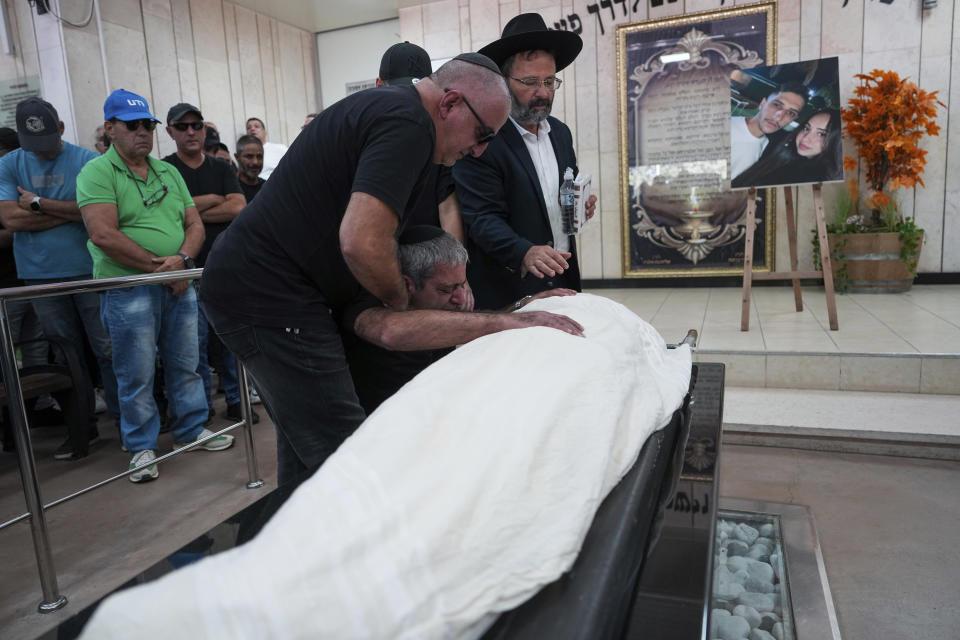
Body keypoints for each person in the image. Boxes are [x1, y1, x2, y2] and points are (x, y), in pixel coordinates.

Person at [201, 53, 582, 492]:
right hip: (269, 293)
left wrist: (509, 311)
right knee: (346, 453)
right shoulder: (408, 123)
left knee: (304, 445)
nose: (478, 150)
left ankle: (299, 541)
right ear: (450, 103)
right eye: (481, 135)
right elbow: (362, 242)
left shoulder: (400, 116)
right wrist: (401, 303)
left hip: (277, 287)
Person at [77, 89, 233, 483]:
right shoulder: (97, 172)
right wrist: (160, 268)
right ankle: (142, 446)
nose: (143, 133)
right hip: (130, 287)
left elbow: (194, 224)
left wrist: (182, 262)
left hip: (177, 282)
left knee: (186, 363)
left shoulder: (167, 171)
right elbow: (102, 234)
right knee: (136, 372)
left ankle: (191, 430)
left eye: (148, 125)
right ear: (111, 129)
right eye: (133, 126)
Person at [0, 97, 121, 460]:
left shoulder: (86, 160)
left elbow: (95, 214)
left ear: (62, 130)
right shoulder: (9, 163)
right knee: (65, 356)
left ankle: (125, 421)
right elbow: (11, 221)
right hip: (38, 276)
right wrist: (70, 212)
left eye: (48, 141)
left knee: (107, 349)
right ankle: (83, 429)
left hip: (89, 271)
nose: (41, 151)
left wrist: (37, 203)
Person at [343, 225, 574, 414]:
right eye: (446, 290)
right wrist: (511, 321)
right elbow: (393, 331)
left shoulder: (443, 299)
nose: (461, 297)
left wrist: (521, 307)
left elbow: (465, 323)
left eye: (462, 284)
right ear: (408, 284)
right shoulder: (368, 311)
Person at [453, 13, 598, 311]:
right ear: (503, 82)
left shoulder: (559, 132)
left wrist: (577, 205)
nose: (543, 93)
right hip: (508, 286)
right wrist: (524, 252)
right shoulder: (484, 138)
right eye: (530, 82)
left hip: (562, 275)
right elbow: (481, 217)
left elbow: (564, 187)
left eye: (549, 81)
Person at [161, 103, 257, 425]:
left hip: (223, 267)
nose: (191, 131)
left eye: (196, 125)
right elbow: (169, 216)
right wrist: (215, 200)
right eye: (183, 126)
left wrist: (190, 213)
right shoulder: (165, 170)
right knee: (194, 347)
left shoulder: (220, 168)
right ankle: (200, 411)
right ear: (170, 130)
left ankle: (236, 399)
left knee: (231, 342)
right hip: (186, 271)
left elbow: (238, 208)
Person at [377, 42, 468, 245]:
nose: (409, 104)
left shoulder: (439, 139)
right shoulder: (368, 140)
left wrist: (457, 269)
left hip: (429, 259)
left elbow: (448, 208)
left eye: (416, 94)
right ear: (379, 85)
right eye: (402, 93)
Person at [731, 105, 843, 189]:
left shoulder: (814, 182)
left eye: (821, 134)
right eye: (806, 128)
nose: (806, 138)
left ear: (836, 141)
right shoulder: (784, 149)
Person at [729, 83, 808, 182]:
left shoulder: (766, 144)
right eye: (776, 104)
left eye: (791, 113)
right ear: (763, 103)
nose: (779, 117)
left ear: (793, 119)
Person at [234, 134, 265, 202]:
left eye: (259, 157)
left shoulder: (268, 188)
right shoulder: (230, 189)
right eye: (249, 156)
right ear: (237, 157)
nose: (255, 162)